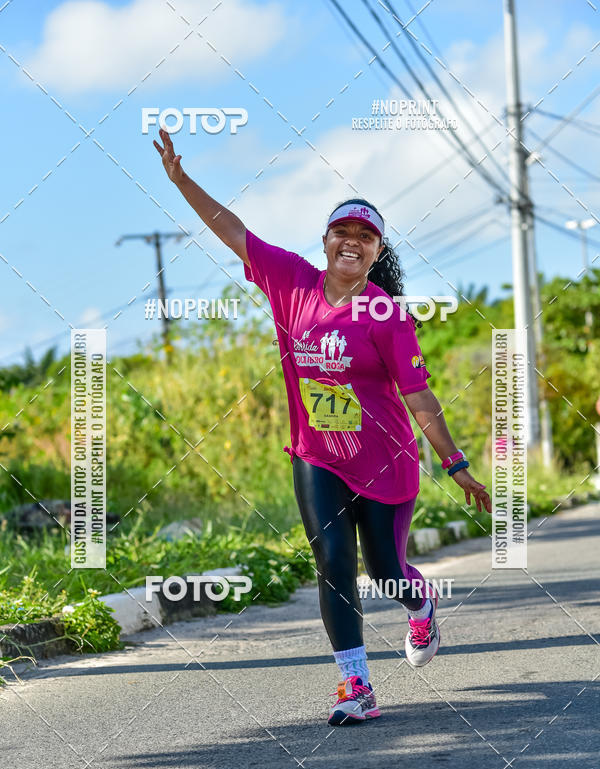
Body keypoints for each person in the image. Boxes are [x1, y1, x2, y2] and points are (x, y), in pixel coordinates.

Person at [154, 129, 492, 727]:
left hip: (385, 460)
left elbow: (418, 394)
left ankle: (421, 602)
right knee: (334, 563)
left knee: (385, 573)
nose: (352, 242)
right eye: (343, 231)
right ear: (327, 240)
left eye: (366, 236)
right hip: (317, 454)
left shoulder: (386, 314)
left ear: (376, 250)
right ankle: (355, 685)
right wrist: (182, 181)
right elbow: (233, 231)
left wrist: (456, 463)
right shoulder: (289, 281)